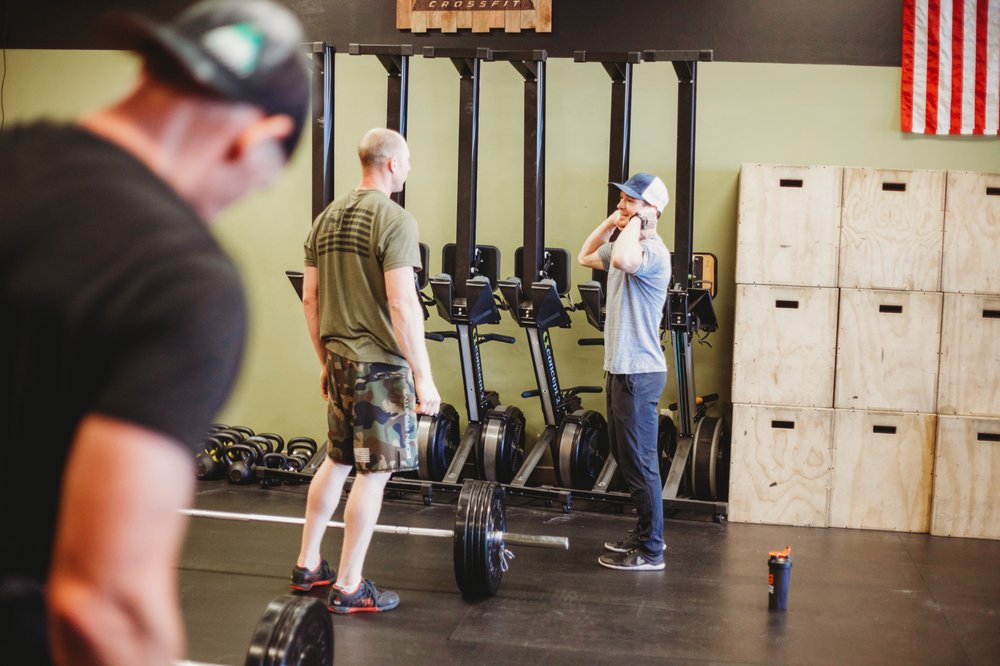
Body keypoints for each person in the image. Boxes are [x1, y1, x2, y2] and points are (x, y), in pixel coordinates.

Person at [0, 1, 310, 663]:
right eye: (254, 186)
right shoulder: (181, 279)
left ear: (150, 69)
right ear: (256, 137)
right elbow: (104, 607)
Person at [291, 128, 442, 613]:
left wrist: (325, 361)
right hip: (379, 368)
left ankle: (307, 564)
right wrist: (424, 376)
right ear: (393, 164)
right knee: (372, 474)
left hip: (339, 359)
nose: (409, 169)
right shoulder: (395, 220)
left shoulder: (326, 219)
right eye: (408, 161)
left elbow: (310, 299)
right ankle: (350, 584)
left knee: (336, 460)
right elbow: (402, 304)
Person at [577, 172, 672, 571]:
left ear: (652, 210)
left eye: (630, 200)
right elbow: (585, 255)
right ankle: (644, 533)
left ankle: (651, 549)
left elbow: (620, 259)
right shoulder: (625, 244)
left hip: (640, 372)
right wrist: (615, 220)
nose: (621, 204)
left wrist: (637, 222)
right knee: (624, 456)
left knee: (641, 462)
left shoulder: (652, 254)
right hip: (620, 369)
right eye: (621, 198)